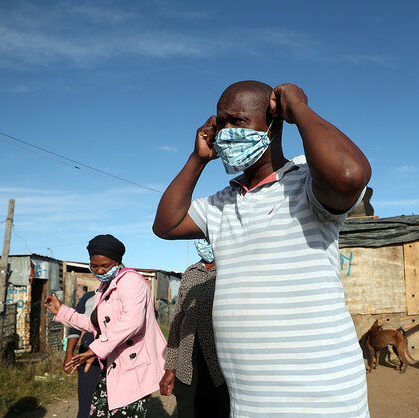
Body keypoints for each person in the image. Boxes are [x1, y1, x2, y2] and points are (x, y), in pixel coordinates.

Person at [153, 81, 372, 417]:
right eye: (221, 122)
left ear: (273, 124)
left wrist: (298, 107)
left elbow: (347, 174)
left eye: (238, 121)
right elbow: (166, 225)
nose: (226, 132)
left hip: (323, 399)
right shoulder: (221, 203)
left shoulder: (307, 185)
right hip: (249, 403)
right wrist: (198, 160)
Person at [45, 234, 167, 417]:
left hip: (133, 367)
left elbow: (132, 321)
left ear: (118, 262)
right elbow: (95, 325)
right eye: (94, 266)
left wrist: (95, 349)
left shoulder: (131, 281)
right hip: (113, 366)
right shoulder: (104, 288)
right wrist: (62, 311)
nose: (99, 271)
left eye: (105, 266)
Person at [159, 239, 229, 418]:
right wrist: (170, 368)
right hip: (188, 366)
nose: (202, 242)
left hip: (221, 367)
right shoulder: (190, 273)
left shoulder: (232, 269)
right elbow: (177, 321)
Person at [64, 289, 100, 418]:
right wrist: (69, 353)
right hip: (88, 348)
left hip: (115, 350)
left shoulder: (125, 295)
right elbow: (75, 324)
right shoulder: (90, 296)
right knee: (86, 397)